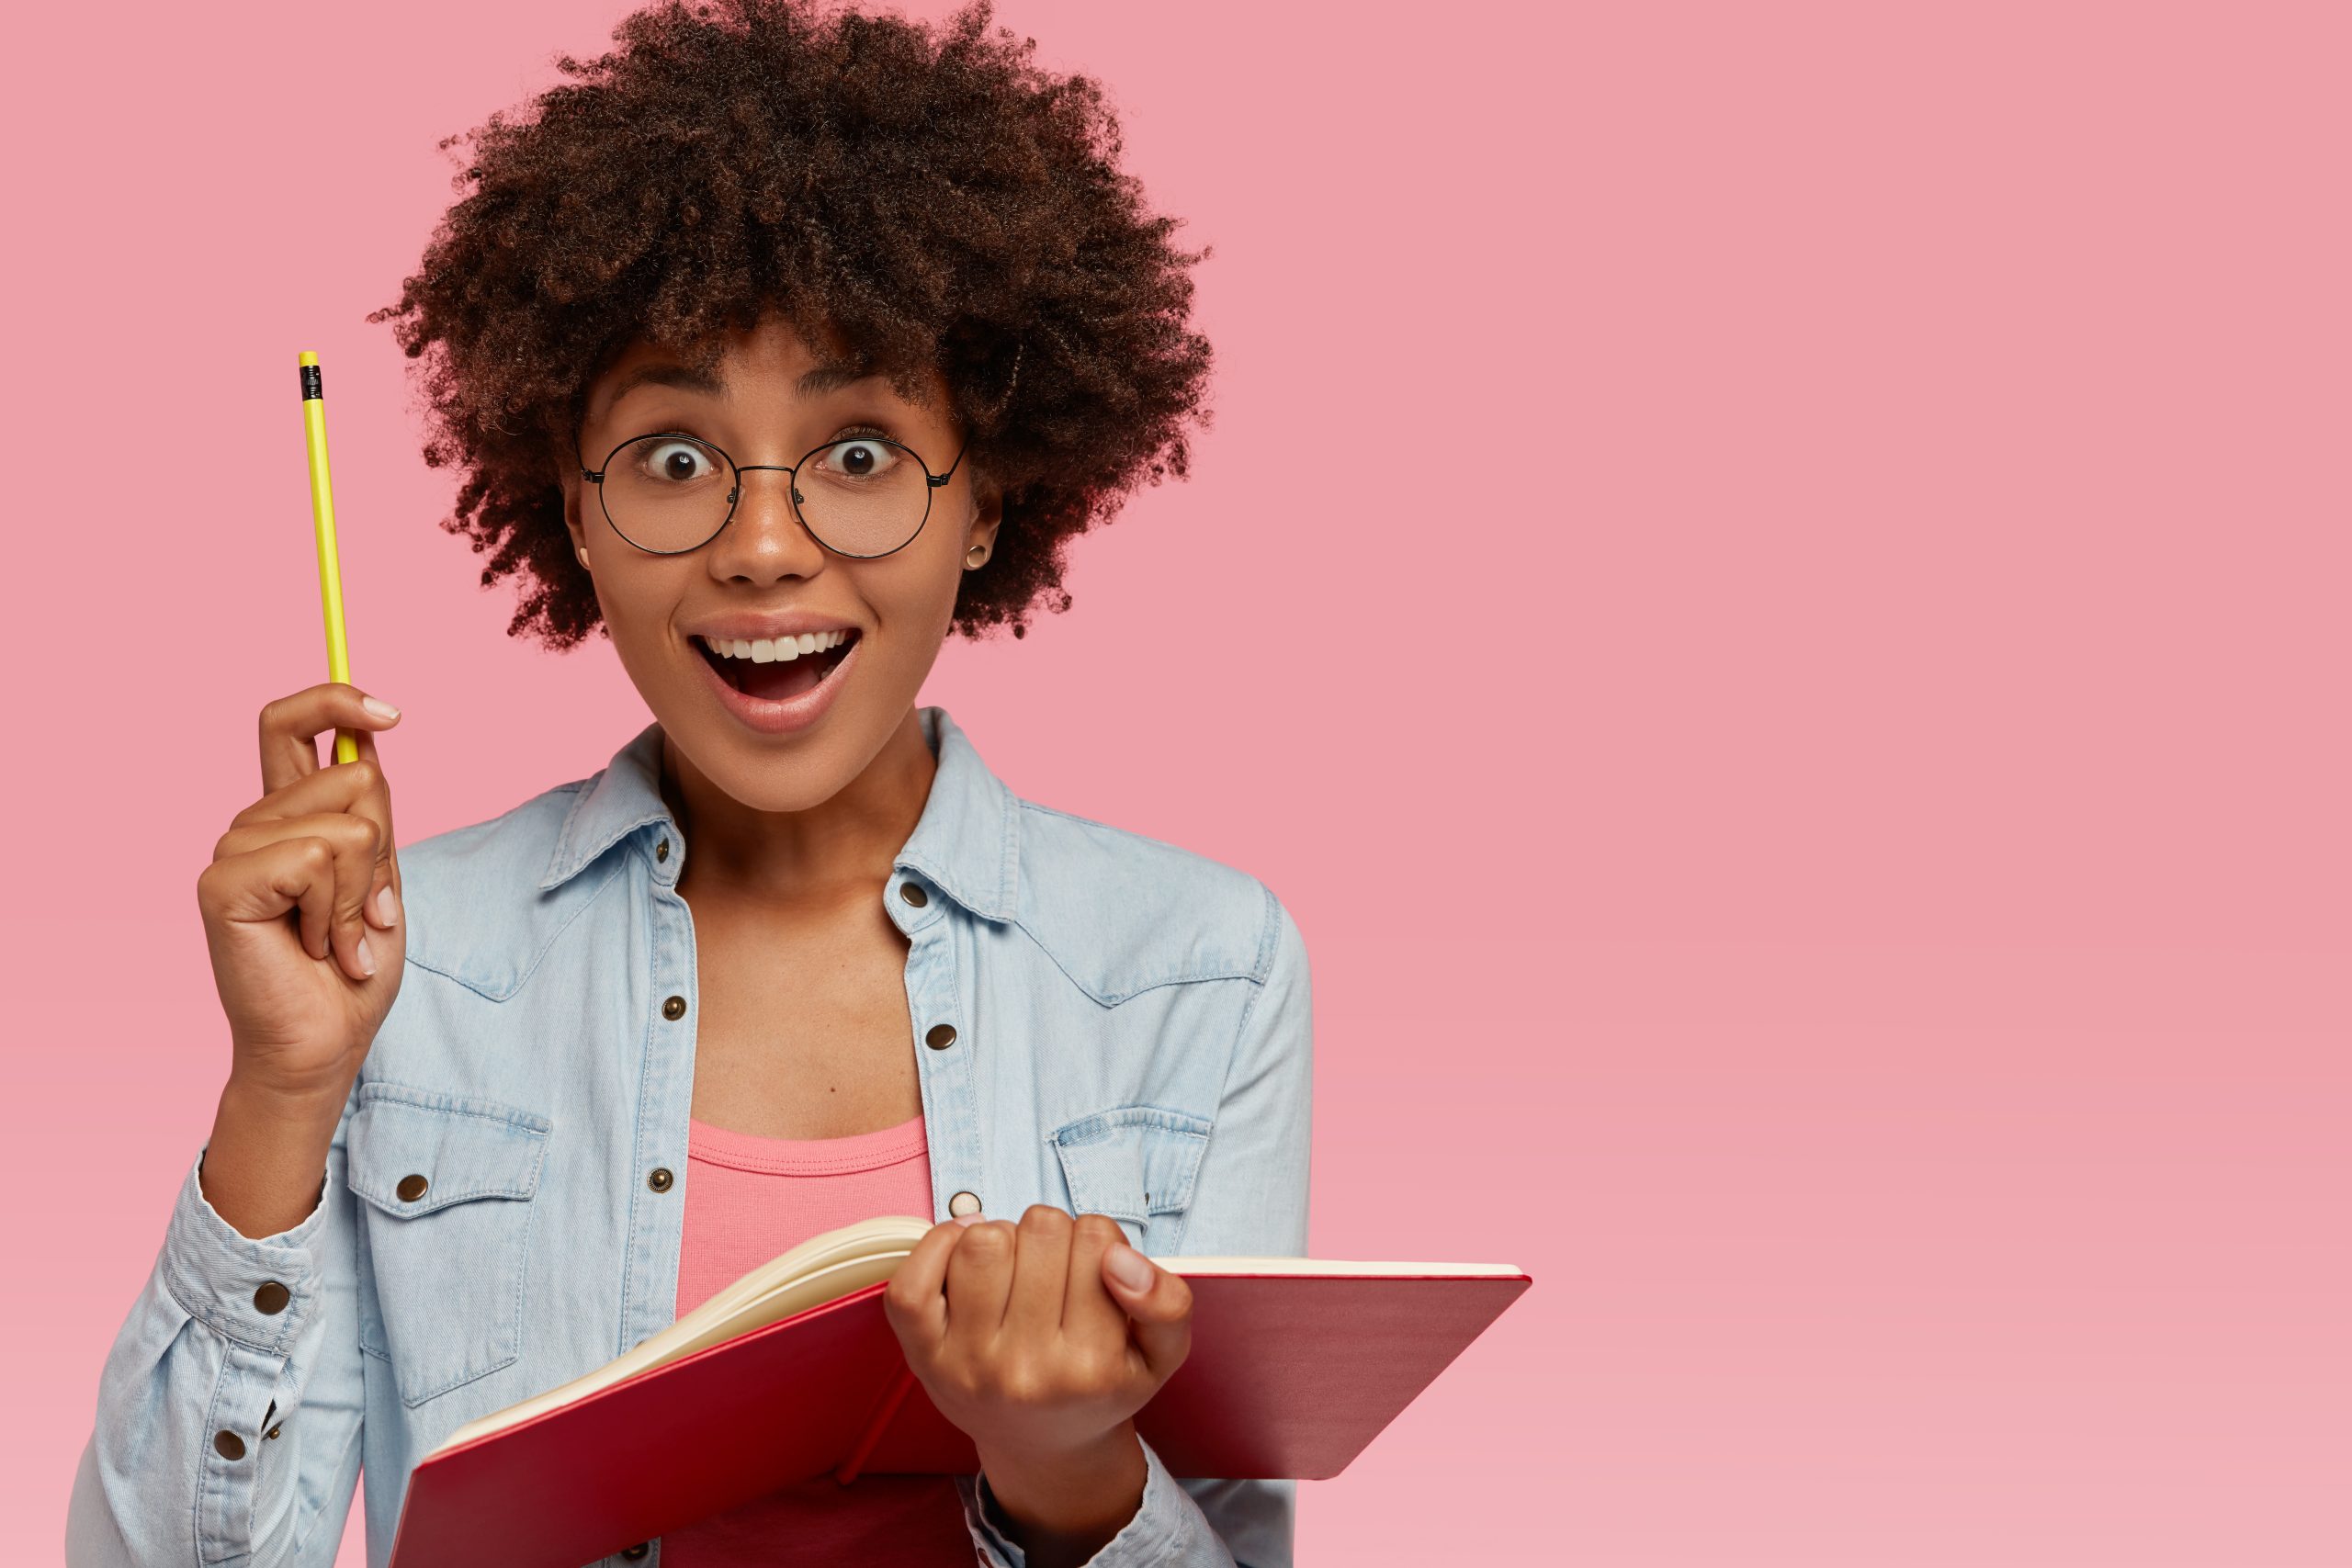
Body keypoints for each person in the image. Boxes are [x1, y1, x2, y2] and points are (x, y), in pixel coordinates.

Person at [65, 3, 1311, 1564]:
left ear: (986, 495)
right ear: (570, 512)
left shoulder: (1201, 969)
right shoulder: (397, 964)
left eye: (861, 453)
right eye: (671, 457)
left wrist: (1066, 1465)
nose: (765, 543)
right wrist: (283, 1094)